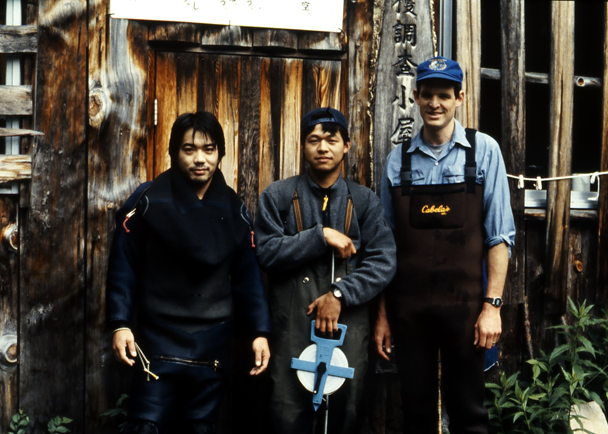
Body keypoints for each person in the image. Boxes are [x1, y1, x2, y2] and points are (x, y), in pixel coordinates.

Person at [106, 111, 271, 434]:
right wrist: (120, 324)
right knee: (145, 425)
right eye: (189, 149)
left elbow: (248, 278)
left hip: (213, 338)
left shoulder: (235, 210)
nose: (200, 159)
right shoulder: (148, 200)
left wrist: (259, 332)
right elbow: (123, 265)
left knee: (201, 427)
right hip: (158, 334)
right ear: (173, 152)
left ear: (220, 153)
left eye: (209, 149)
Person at [374, 57, 515, 434]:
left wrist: (492, 307)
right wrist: (383, 316)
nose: (435, 103)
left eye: (444, 95)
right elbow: (385, 246)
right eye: (428, 95)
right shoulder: (397, 161)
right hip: (408, 312)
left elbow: (499, 237)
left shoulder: (483, 151)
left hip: (465, 312)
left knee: (469, 414)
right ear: (416, 97)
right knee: (416, 414)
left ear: (459, 98)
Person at [254, 107, 396, 434]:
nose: (322, 148)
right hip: (292, 323)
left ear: (346, 146)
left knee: (347, 409)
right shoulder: (277, 196)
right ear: (303, 146)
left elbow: (383, 260)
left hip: (350, 325)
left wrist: (340, 293)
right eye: (314, 140)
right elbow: (266, 252)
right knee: (287, 411)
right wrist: (320, 237)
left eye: (331, 140)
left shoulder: (364, 201)